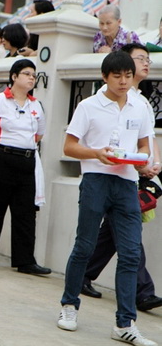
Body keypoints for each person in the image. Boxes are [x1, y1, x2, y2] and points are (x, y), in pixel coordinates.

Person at [57, 51, 157, 346]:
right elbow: (69, 146)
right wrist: (97, 153)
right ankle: (69, 306)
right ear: (105, 77)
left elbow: (143, 142)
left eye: (128, 75)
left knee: (130, 254)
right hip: (96, 180)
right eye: (118, 76)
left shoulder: (139, 107)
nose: (124, 81)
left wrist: (143, 161)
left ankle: (125, 323)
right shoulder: (88, 106)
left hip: (127, 182)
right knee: (84, 246)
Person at [81, 44, 162, 313]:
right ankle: (141, 292)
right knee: (121, 237)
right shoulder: (99, 103)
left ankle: (87, 275)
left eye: (146, 60)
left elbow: (146, 140)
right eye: (140, 59)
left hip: (132, 173)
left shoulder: (140, 102)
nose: (146, 64)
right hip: (104, 176)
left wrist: (151, 164)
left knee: (116, 234)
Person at [0, 59, 51, 275]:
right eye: (26, 74)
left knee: (26, 212)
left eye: (33, 75)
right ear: (14, 77)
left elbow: (40, 134)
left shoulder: (36, 105)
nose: (31, 78)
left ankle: (25, 261)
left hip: (26, 160)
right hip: (0, 157)